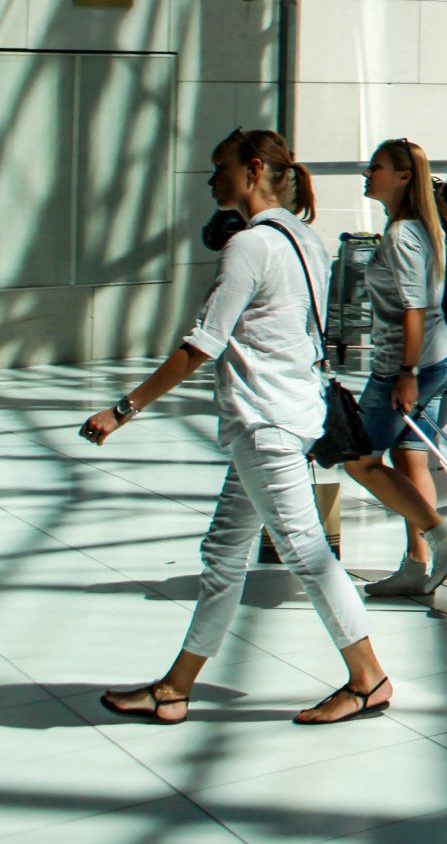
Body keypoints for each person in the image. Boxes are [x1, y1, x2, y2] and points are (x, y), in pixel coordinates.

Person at [82, 129, 398, 725]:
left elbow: (203, 343)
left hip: (265, 424)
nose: (211, 179)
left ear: (253, 170)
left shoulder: (250, 246)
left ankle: (368, 678)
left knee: (306, 553)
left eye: (219, 167)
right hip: (289, 413)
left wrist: (123, 409)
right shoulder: (306, 238)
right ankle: (175, 688)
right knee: (224, 554)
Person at [349, 140, 447, 597]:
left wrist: (404, 373)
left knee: (357, 458)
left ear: (403, 177)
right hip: (437, 357)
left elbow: (412, 308)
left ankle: (443, 535)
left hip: (408, 364)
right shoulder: (424, 227)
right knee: (408, 456)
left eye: (376, 167)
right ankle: (417, 563)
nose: (368, 173)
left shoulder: (403, 234)